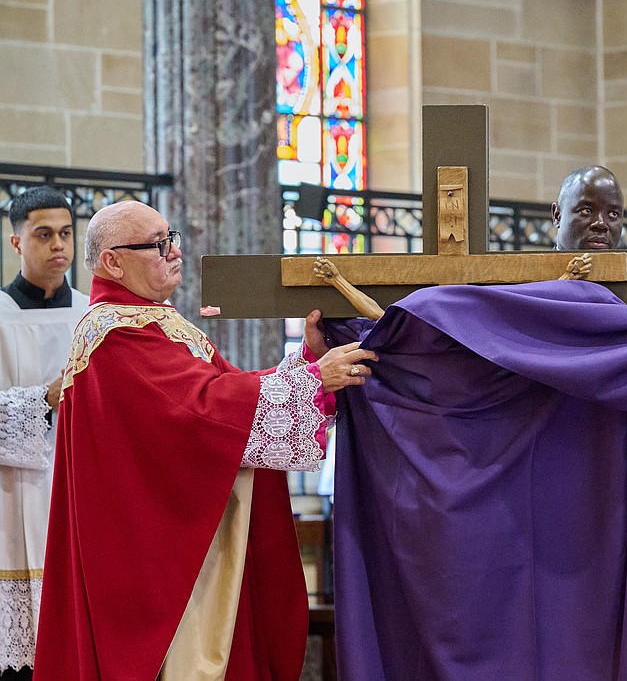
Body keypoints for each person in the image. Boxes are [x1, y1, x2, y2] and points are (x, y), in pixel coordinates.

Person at [33, 200, 376, 679]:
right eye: (157, 245)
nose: (173, 252)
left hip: (183, 538)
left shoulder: (156, 321)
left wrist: (305, 363)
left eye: (170, 237)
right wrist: (315, 379)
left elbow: (223, 392)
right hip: (156, 557)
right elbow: (198, 411)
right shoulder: (115, 333)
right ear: (113, 261)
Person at [0, 187, 88, 680]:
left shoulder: (91, 315)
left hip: (79, 489)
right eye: (44, 235)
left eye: (66, 233)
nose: (59, 245)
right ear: (17, 242)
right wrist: (43, 399)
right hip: (12, 497)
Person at [550, 165, 624, 250]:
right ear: (557, 215)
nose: (601, 224)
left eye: (613, 214)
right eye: (586, 211)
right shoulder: (534, 263)